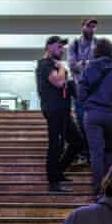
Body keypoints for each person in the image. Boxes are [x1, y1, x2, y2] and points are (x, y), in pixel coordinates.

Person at [78, 38, 112, 193]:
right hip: (111, 115)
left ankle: (97, 188)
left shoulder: (88, 68)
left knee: (96, 152)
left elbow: (81, 93)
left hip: (92, 115)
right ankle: (109, 188)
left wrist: (88, 105)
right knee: (110, 151)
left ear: (96, 51)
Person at [36, 35, 84, 193]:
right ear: (48, 47)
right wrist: (63, 69)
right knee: (56, 145)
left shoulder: (54, 65)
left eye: (62, 47)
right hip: (54, 110)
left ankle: (58, 171)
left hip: (64, 110)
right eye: (58, 46)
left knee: (77, 141)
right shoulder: (45, 64)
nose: (61, 49)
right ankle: (53, 182)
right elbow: (58, 82)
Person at [69, 18, 98, 163]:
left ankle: (91, 151)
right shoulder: (74, 44)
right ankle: (85, 151)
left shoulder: (98, 44)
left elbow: (100, 65)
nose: (91, 29)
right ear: (82, 27)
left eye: (93, 27)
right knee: (81, 119)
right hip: (79, 87)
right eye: (88, 26)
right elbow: (72, 66)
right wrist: (88, 64)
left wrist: (84, 64)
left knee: (92, 119)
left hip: (94, 89)